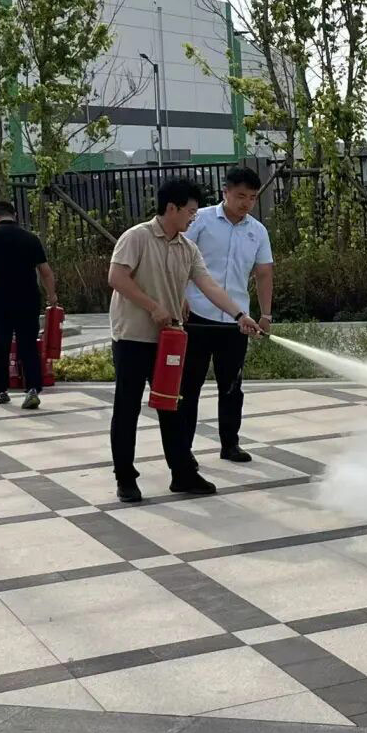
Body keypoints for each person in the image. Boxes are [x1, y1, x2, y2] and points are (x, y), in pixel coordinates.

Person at [108, 177, 259, 503]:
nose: (194, 217)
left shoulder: (187, 248)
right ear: (171, 208)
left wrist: (239, 315)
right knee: (127, 408)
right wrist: (153, 306)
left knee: (173, 407)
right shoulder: (136, 237)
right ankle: (126, 478)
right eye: (190, 211)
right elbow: (116, 277)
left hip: (168, 341)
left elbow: (209, 285)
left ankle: (182, 473)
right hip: (133, 338)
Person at [178, 165, 274, 465]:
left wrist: (266, 314)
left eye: (252, 198)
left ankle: (230, 444)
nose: (247, 203)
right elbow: (178, 258)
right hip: (196, 317)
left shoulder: (257, 231)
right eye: (241, 196)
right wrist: (179, 295)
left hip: (236, 321)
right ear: (226, 192)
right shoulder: (201, 220)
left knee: (232, 386)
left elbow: (264, 273)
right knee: (189, 386)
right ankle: (183, 450)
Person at [0, 201, 57, 410]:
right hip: (28, 299)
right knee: (28, 345)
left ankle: (1, 389)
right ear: (15, 215)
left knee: (1, 344)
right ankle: (32, 388)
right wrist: (52, 295)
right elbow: (45, 271)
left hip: (1, 300)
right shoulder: (31, 238)